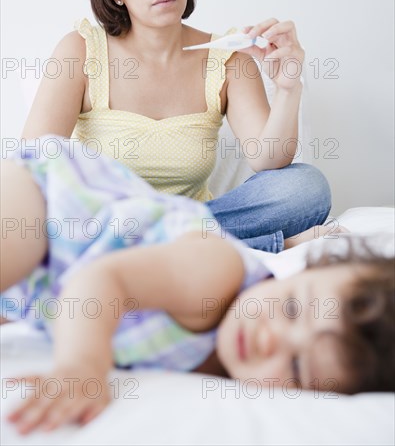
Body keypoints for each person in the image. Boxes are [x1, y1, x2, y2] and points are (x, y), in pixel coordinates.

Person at [1, 136, 394, 435]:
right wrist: (81, 366)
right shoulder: (216, 274)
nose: (269, 339)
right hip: (54, 206)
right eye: (291, 308)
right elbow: (99, 280)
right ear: (302, 273)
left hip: (45, 289)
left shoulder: (227, 374)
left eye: (295, 366)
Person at [21, 0, 331, 253]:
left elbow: (269, 160)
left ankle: (160, 246)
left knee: (306, 187)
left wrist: (289, 86)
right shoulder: (79, 50)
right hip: (108, 224)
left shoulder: (229, 57)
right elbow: (33, 168)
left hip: (161, 232)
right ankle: (251, 245)